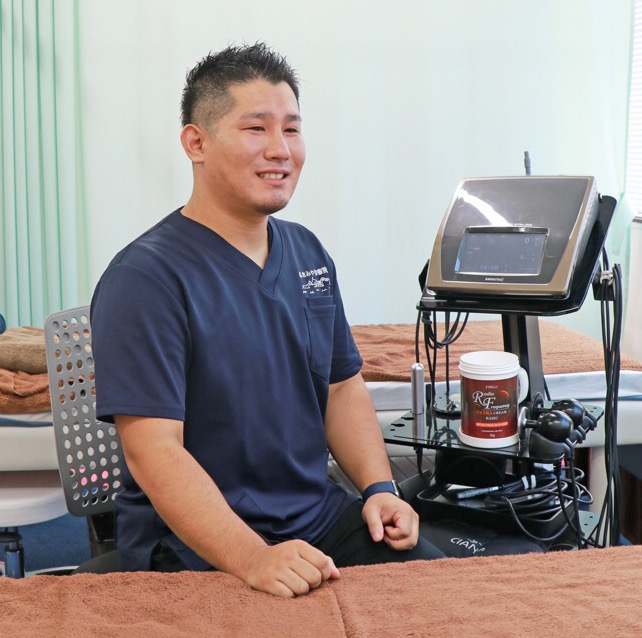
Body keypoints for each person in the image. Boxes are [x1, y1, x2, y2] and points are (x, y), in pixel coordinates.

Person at [90, 42, 443, 598]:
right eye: (256, 129)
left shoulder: (306, 253)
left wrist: (379, 488)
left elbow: (341, 386)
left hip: (316, 518)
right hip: (193, 548)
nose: (280, 150)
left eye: (292, 130)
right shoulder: (145, 279)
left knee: (440, 595)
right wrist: (252, 558)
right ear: (196, 142)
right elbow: (154, 451)